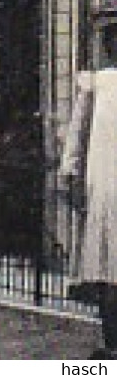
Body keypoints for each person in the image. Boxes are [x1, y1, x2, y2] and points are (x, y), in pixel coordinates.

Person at [61, 23, 117, 357]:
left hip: (104, 189)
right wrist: (71, 171)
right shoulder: (96, 86)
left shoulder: (96, 86)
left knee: (109, 267)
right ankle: (111, 344)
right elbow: (78, 133)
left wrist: (70, 170)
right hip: (105, 188)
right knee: (108, 269)